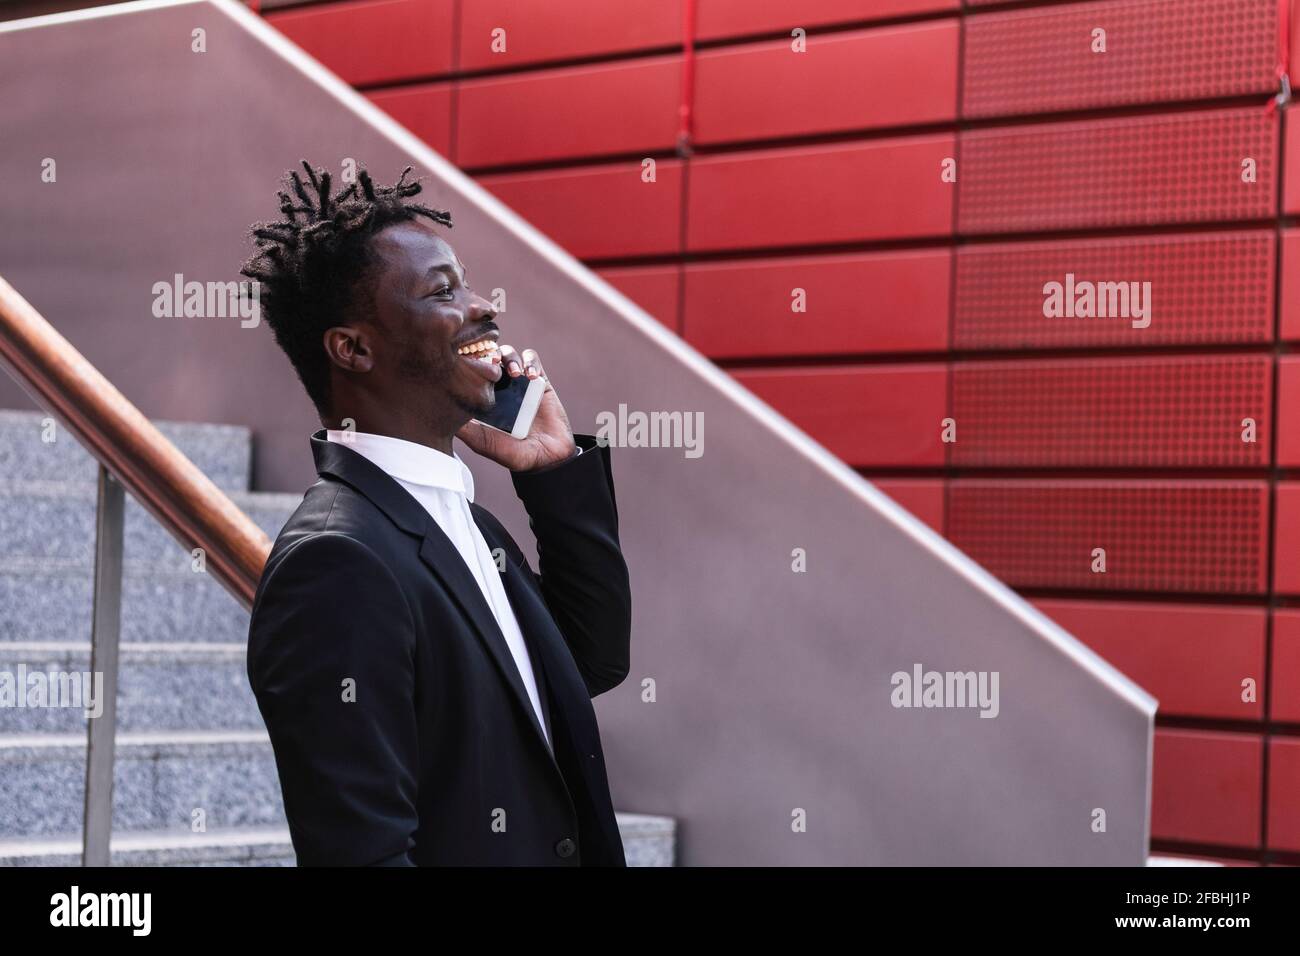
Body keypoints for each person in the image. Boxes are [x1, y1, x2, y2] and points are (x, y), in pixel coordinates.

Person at [240, 162, 632, 866]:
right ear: (353, 347)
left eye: (469, 284)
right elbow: (363, 853)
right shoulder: (337, 561)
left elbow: (591, 663)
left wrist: (553, 470)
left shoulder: (464, 522)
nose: (483, 308)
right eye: (442, 291)